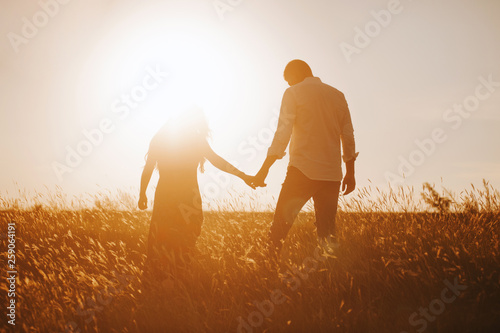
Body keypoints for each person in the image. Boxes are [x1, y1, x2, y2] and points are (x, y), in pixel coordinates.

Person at [252, 59, 358, 256]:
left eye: (289, 80)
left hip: (302, 171)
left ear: (296, 73)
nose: (290, 85)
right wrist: (350, 173)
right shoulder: (338, 95)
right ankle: (329, 280)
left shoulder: (293, 93)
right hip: (332, 176)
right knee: (327, 235)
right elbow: (348, 135)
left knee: (279, 230)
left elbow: (282, 133)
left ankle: (267, 272)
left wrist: (264, 169)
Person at [138, 106, 254, 277]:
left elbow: (148, 168)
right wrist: (243, 175)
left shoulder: (162, 137)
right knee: (186, 235)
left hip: (166, 194)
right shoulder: (194, 139)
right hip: (188, 195)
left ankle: (163, 277)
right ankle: (177, 275)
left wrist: (142, 193)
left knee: (161, 236)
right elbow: (217, 161)